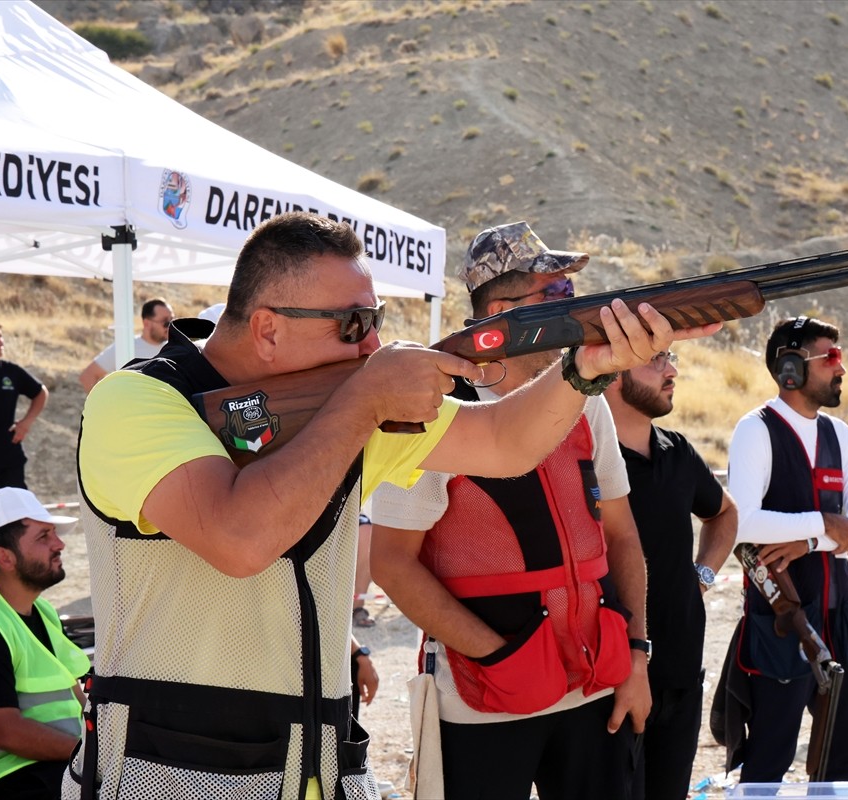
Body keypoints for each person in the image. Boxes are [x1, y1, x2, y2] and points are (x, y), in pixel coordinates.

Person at [70, 212, 714, 800]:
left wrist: (584, 369)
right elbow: (241, 539)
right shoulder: (137, 401)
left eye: (375, 321)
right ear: (267, 327)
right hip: (168, 773)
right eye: (352, 325)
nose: (370, 346)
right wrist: (365, 400)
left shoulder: (339, 412)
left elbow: (504, 441)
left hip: (316, 764)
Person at [370, 221, 695, 800]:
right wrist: (497, 656)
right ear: (501, 309)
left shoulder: (585, 398)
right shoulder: (433, 407)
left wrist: (638, 657)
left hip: (596, 685)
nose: (579, 307)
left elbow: (620, 536)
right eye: (558, 295)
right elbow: (393, 564)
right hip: (482, 698)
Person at [721, 316, 848, 784]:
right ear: (790, 368)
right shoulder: (756, 430)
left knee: (843, 759)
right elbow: (742, 523)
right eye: (830, 357)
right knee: (769, 759)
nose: (841, 368)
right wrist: (827, 524)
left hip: (840, 614)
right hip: (784, 620)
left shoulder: (839, 434)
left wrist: (808, 539)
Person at [604, 348, 737, 800]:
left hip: (680, 675)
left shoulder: (677, 451)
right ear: (613, 374)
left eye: (671, 357)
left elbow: (724, 513)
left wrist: (701, 576)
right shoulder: (579, 457)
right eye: (655, 360)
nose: (672, 370)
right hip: (606, 683)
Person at [0, 488, 89, 800]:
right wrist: (92, 755)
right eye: (43, 537)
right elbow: (5, 731)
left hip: (52, 767)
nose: (59, 545)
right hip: (13, 778)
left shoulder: (42, 610)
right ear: (4, 557)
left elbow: (76, 694)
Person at [0, 322, 48, 497]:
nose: (1, 341)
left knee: (17, 515)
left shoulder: (10, 372)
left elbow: (40, 393)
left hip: (10, 458)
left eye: (0, 336)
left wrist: (26, 423)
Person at [77, 297, 174, 393]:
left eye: (173, 321)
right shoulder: (126, 347)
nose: (171, 326)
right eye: (165, 322)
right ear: (147, 323)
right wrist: (107, 406)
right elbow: (88, 376)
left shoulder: (175, 349)